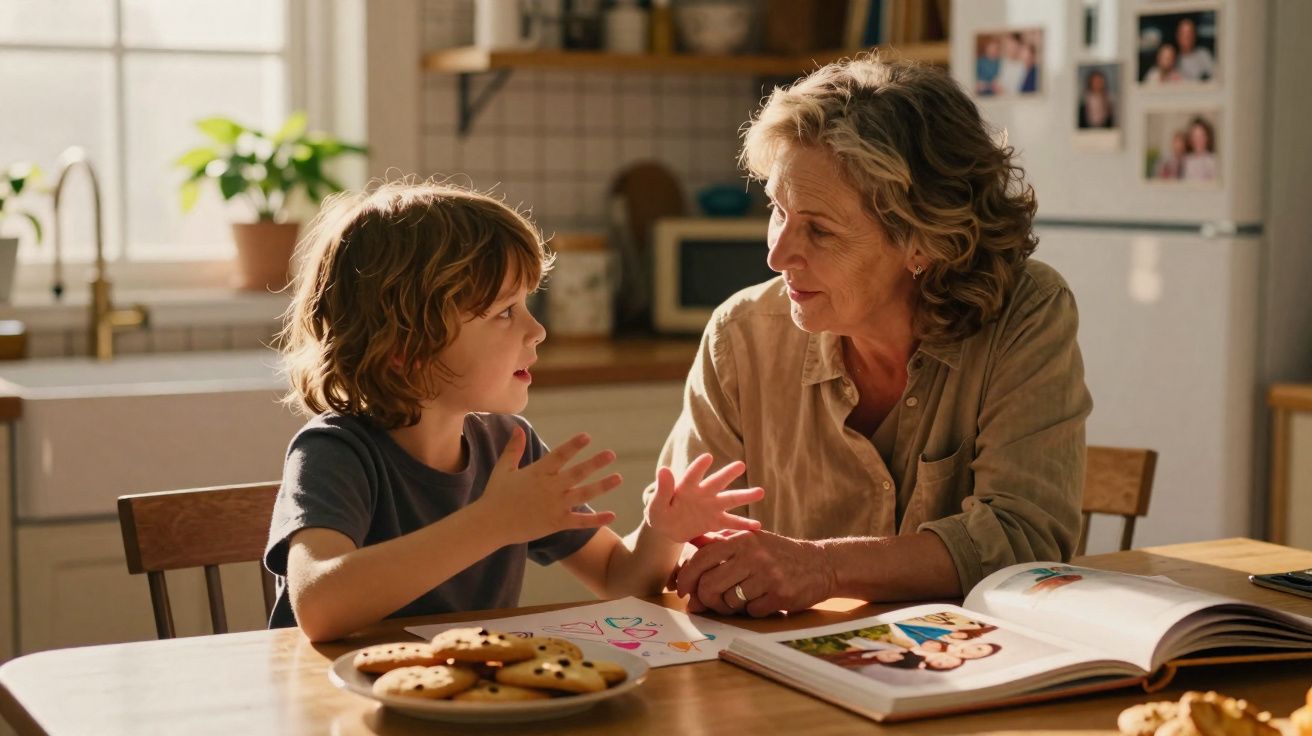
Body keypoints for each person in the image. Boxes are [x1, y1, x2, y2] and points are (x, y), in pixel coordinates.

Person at [660, 55, 1093, 618]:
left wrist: (822, 567)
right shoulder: (740, 337)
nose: (776, 254)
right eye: (777, 210)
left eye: (819, 228)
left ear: (924, 242)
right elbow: (679, 539)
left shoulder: (1025, 314)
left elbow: (1025, 539)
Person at [265, 180, 762, 641]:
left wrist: (663, 532)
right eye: (505, 312)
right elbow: (319, 606)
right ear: (406, 346)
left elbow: (617, 577)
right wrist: (492, 523)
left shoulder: (508, 446)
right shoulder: (335, 452)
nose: (536, 330)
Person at [1174, 17, 1215, 82]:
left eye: (1190, 33)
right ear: (1178, 36)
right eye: (1184, 34)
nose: (1187, 37)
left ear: (1194, 35)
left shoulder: (1204, 54)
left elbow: (1215, 77)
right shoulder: (1173, 59)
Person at [1181, 116, 1217, 182]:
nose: (1197, 140)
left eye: (1201, 136)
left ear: (1207, 138)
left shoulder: (1213, 160)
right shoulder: (1187, 160)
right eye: (1195, 136)